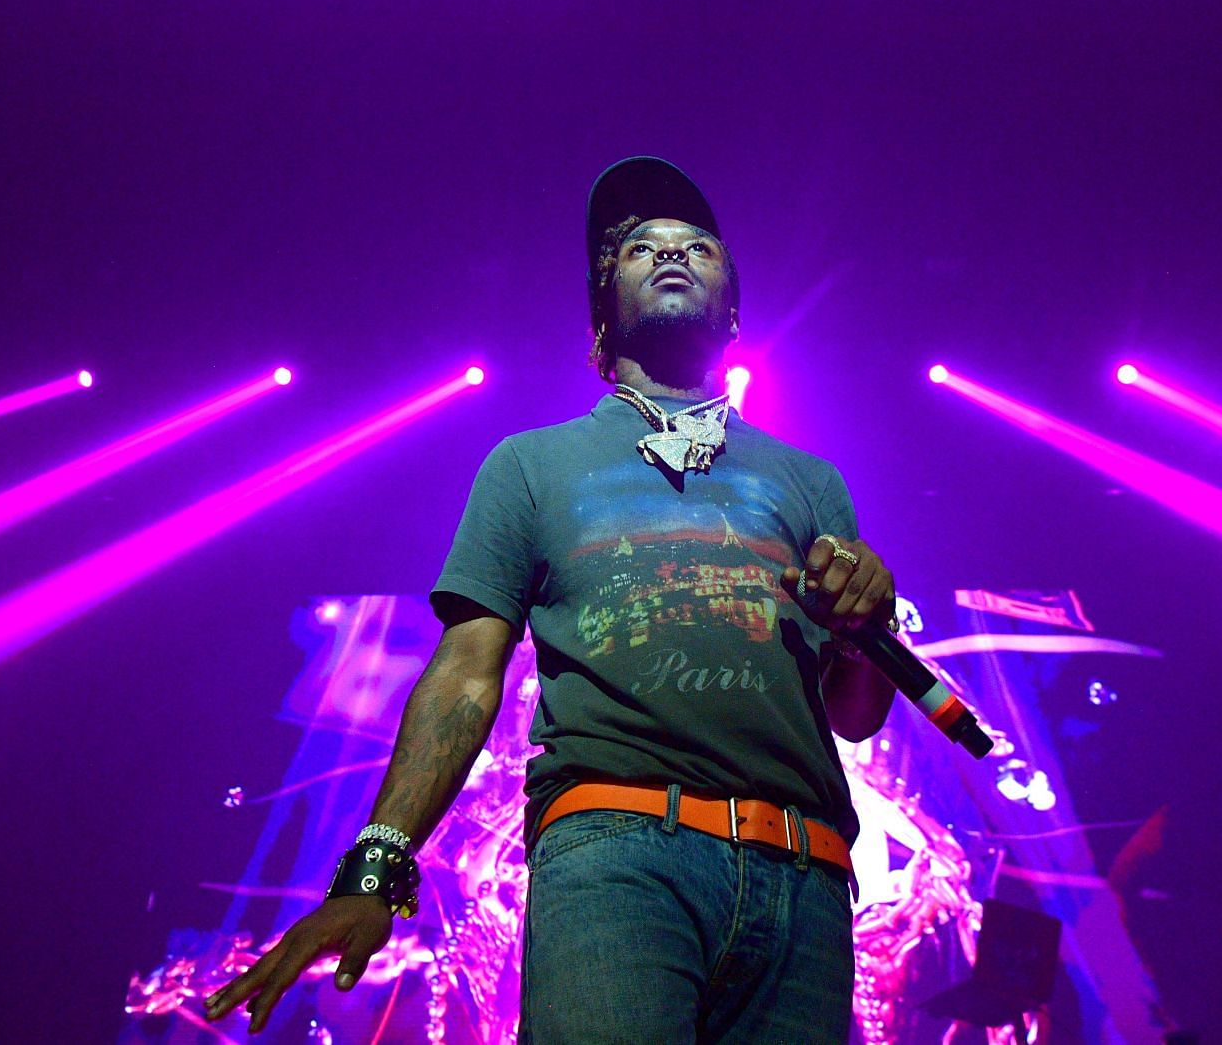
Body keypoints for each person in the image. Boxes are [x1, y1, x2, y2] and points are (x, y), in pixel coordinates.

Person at [204, 157, 901, 1041]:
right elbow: (464, 675)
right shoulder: (530, 464)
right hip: (618, 850)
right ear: (601, 318)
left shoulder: (810, 481)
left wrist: (866, 623)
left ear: (733, 310)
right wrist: (374, 870)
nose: (672, 253)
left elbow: (854, 714)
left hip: (805, 873)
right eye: (641, 248)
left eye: (698, 247)